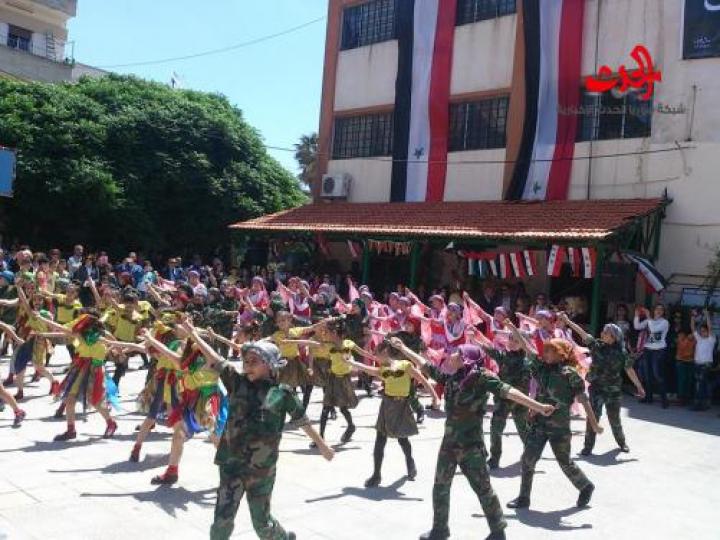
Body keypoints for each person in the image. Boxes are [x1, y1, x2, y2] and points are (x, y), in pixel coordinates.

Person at [181, 320, 334, 540]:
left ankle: (283, 537)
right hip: (231, 464)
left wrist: (322, 445)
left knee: (262, 524)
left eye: (254, 361)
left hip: (261, 469)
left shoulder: (282, 393)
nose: (247, 366)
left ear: (270, 365)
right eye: (245, 361)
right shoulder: (237, 383)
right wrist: (194, 335)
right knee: (221, 522)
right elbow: (216, 359)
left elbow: (303, 421)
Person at [391, 339, 554, 540]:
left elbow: (509, 391)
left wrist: (538, 406)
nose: (450, 355)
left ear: (465, 358)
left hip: (471, 445)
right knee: (440, 486)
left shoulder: (481, 378)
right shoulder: (455, 377)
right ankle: (440, 530)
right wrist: (403, 347)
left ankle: (498, 531)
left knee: (483, 489)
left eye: (456, 353)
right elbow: (427, 367)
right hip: (449, 443)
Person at [505, 322, 602, 511]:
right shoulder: (541, 368)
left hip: (559, 427)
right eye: (546, 351)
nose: (545, 354)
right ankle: (524, 497)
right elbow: (527, 347)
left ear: (561, 354)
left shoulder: (570, 374)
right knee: (528, 459)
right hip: (539, 424)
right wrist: (512, 328)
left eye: (550, 351)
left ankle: (585, 486)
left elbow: (583, 399)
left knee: (565, 462)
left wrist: (594, 424)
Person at [343, 339, 438, 488]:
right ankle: (376, 474)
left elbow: (423, 380)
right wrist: (352, 363)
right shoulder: (383, 369)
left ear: (385, 352)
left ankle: (409, 461)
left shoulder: (405, 365)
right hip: (387, 404)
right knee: (380, 439)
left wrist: (435, 397)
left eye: (378, 355)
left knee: (402, 439)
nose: (377, 358)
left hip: (401, 406)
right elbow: (368, 369)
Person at [559, 314, 645, 455]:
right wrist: (568, 321)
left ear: (614, 337)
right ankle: (588, 447)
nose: (602, 333)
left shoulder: (622, 352)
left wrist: (639, 386)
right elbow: (582, 333)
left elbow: (629, 370)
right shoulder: (596, 345)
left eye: (606, 332)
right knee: (593, 418)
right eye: (603, 331)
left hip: (613, 391)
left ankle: (622, 443)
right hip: (597, 389)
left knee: (614, 419)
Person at [483, 329, 533, 469]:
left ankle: (531, 453)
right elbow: (490, 351)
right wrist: (475, 338)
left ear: (523, 343)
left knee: (523, 428)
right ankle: (494, 458)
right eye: (510, 339)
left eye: (516, 341)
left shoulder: (529, 359)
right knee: (496, 429)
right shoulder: (504, 355)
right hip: (503, 399)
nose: (511, 342)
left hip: (520, 400)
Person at [634, 305, 670, 408]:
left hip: (658, 350)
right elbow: (637, 326)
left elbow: (654, 330)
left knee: (657, 375)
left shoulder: (664, 322)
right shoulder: (649, 320)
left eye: (661, 309)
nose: (658, 311)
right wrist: (637, 316)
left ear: (663, 312)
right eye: (657, 309)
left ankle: (664, 399)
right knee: (647, 375)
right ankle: (648, 397)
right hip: (647, 349)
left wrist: (648, 316)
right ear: (654, 310)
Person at [691, 309, 716, 411]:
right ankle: (702, 404)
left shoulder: (711, 339)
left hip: (706, 365)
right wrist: (692, 317)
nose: (702, 333)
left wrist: (707, 316)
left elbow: (710, 328)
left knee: (700, 383)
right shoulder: (699, 339)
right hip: (697, 364)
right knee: (700, 383)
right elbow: (692, 328)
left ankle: (699, 405)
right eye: (701, 331)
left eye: (704, 331)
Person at [674, 321, 696, 406]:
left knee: (689, 380)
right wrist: (687, 339)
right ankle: (681, 398)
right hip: (681, 362)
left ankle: (686, 398)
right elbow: (682, 347)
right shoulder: (681, 338)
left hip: (690, 362)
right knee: (682, 380)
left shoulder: (694, 339)